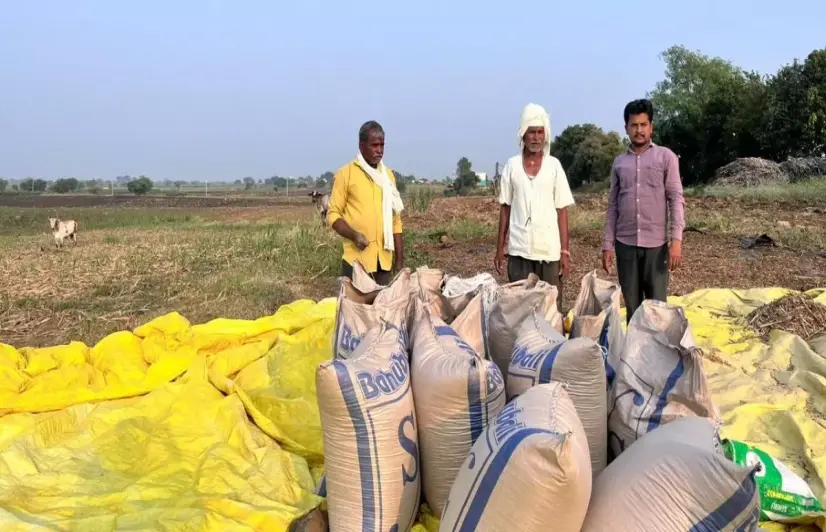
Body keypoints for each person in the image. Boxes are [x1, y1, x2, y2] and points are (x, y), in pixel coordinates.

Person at [602, 98, 685, 323]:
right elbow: (613, 206)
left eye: (643, 125)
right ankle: (635, 355)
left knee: (657, 308)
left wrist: (676, 240)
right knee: (632, 306)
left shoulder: (666, 157)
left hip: (656, 246)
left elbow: (675, 199)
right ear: (626, 128)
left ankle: (657, 355)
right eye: (634, 125)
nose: (639, 130)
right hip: (625, 244)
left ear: (651, 127)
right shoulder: (620, 163)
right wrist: (607, 244)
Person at [495, 103, 574, 309]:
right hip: (519, 250)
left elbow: (562, 210)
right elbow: (505, 208)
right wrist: (499, 247)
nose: (536, 138)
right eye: (532, 132)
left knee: (550, 308)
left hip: (549, 251)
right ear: (523, 134)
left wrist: (564, 251)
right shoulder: (512, 166)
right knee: (519, 307)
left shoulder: (554, 166)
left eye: (540, 132)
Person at [327, 120, 404, 285]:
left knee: (382, 309)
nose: (380, 150)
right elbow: (333, 214)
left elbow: (396, 222)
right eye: (374, 145)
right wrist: (354, 235)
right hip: (356, 262)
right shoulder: (345, 174)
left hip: (384, 262)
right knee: (355, 310)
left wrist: (399, 263)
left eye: (382, 145)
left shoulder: (388, 177)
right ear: (362, 146)